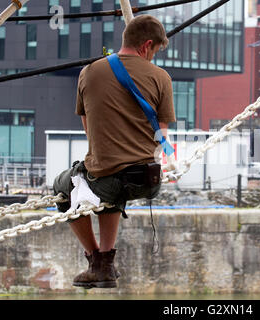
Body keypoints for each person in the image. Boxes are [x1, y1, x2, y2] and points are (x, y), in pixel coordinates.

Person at [53, 14, 176, 289]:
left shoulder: (89, 72)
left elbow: (88, 128)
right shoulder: (161, 78)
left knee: (64, 187)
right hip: (147, 180)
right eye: (155, 51)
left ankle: (96, 259)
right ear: (147, 45)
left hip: (107, 177)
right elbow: (162, 134)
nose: (153, 57)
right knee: (111, 184)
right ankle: (106, 264)